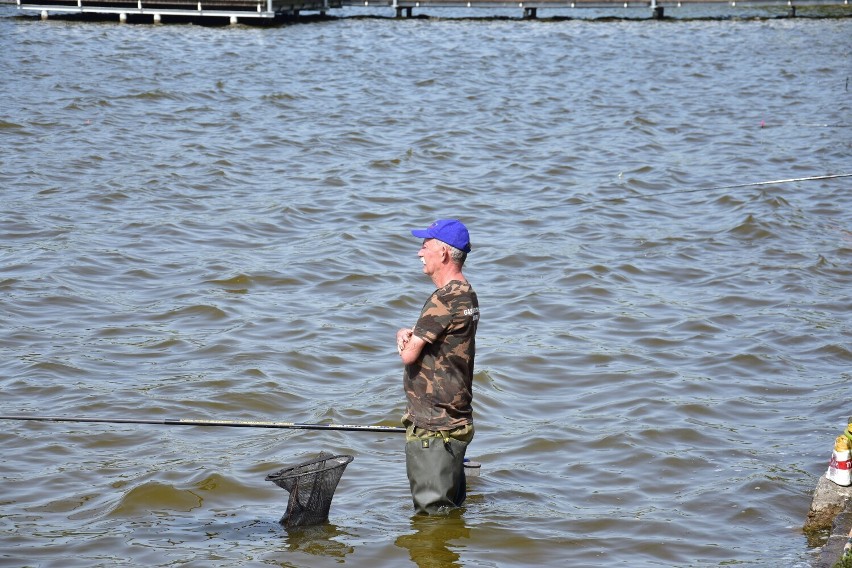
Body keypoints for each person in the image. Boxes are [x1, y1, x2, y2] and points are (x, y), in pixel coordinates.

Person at [396, 219, 480, 515]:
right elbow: (440, 339)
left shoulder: (444, 299)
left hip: (434, 426)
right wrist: (415, 333)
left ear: (443, 253)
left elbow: (409, 356)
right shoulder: (466, 293)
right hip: (455, 418)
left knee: (432, 519)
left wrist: (401, 337)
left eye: (425, 246)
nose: (419, 253)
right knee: (450, 512)